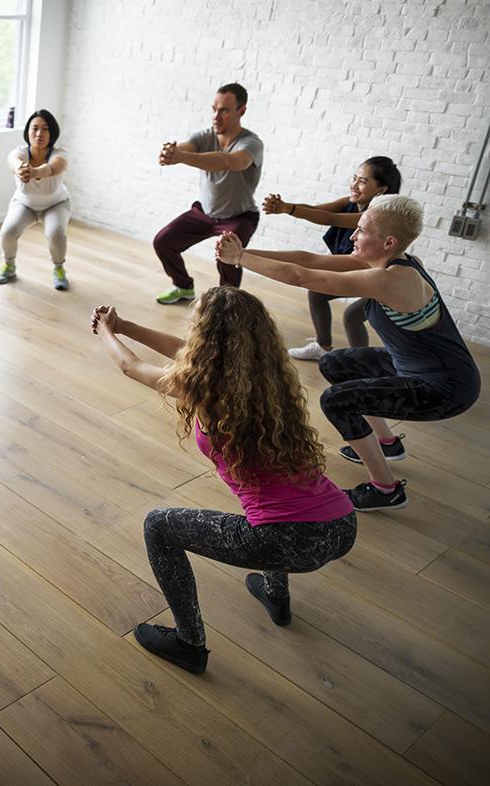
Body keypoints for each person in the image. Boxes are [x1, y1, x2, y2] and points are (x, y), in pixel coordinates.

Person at [91, 288, 356, 674]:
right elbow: (185, 352)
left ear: (206, 337)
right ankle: (275, 595)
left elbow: (132, 367)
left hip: (286, 542)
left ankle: (189, 644)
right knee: (265, 504)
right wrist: (126, 325)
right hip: (342, 524)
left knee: (158, 526)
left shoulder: (207, 388)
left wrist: (105, 333)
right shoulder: (269, 377)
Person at [217, 195, 481, 512]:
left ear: (389, 241)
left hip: (444, 387)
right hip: (411, 364)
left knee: (336, 400)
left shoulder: (391, 279)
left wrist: (239, 258)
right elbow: (309, 260)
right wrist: (242, 252)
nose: (353, 236)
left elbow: (301, 277)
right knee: (335, 363)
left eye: (361, 230)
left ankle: (386, 489)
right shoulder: (387, 262)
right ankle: (387, 443)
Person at [262, 156, 402, 360]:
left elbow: (331, 219)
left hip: (385, 279)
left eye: (362, 181)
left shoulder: (380, 214)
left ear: (381, 190)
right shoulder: (351, 203)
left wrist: (288, 209)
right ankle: (324, 347)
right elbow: (317, 210)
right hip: (364, 271)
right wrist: (285, 206)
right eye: (355, 178)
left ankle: (362, 365)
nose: (354, 185)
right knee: (320, 296)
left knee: (352, 316)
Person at [153, 83, 263, 304]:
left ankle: (226, 306)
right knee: (163, 241)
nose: (216, 116)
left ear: (241, 111)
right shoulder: (205, 136)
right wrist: (171, 152)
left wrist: (182, 157)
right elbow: (184, 147)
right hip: (204, 213)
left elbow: (230, 162)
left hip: (239, 218)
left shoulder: (252, 143)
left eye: (224, 110)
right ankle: (183, 287)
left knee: (227, 256)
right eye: (214, 109)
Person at [0, 109, 72, 290]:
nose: (39, 134)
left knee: (55, 234)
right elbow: (14, 162)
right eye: (35, 128)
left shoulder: (61, 154)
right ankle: (9, 265)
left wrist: (35, 172)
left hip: (56, 204)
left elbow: (52, 169)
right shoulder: (18, 152)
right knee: (7, 233)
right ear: (27, 132)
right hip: (24, 203)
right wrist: (21, 168)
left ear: (52, 133)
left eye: (45, 129)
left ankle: (59, 269)